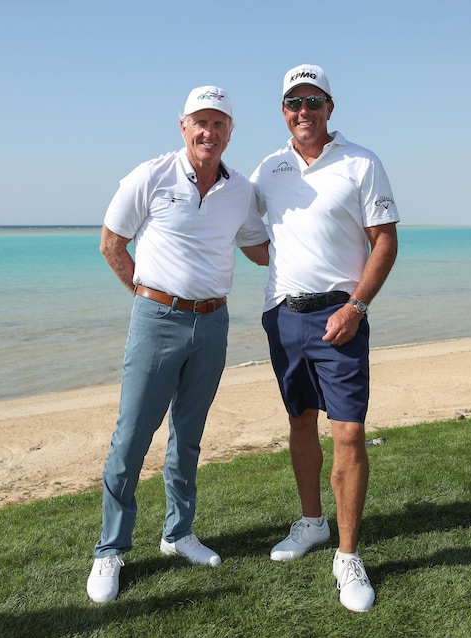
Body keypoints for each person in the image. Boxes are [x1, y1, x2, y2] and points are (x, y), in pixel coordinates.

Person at [87, 85, 270, 604]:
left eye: (219, 124)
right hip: (158, 320)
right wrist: (148, 298)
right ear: (183, 126)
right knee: (131, 438)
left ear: (230, 132)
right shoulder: (150, 175)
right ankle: (110, 550)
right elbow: (110, 244)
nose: (208, 132)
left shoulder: (240, 190)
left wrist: (321, 235)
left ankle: (178, 534)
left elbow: (260, 250)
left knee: (187, 436)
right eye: (200, 123)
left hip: (213, 325)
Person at [250, 64, 399, 613]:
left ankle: (348, 554)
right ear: (283, 111)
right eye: (294, 103)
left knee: (351, 431)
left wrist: (356, 305)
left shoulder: (362, 162)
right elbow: (250, 237)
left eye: (313, 101)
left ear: (330, 107)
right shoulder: (268, 169)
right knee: (299, 422)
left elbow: (384, 241)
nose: (303, 111)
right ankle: (312, 522)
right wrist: (286, 266)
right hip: (284, 317)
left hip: (343, 315)